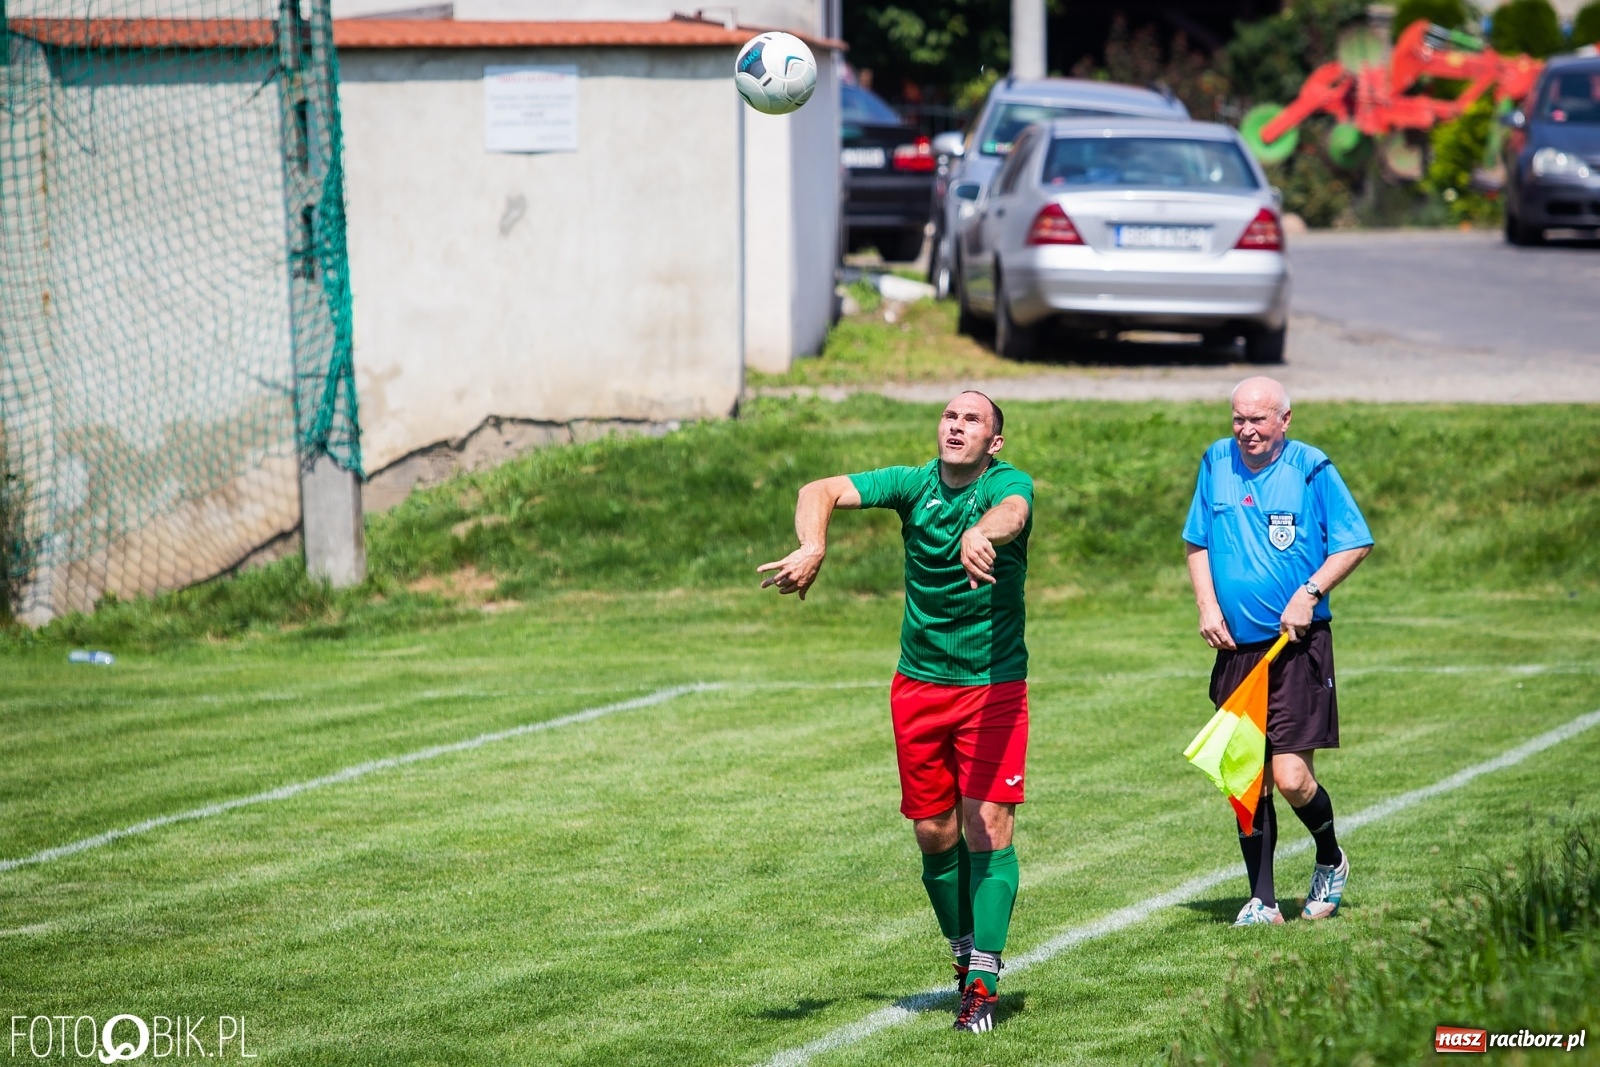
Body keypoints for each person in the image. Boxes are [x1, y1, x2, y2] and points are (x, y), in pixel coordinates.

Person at [758, 391, 1034, 1034]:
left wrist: (980, 532)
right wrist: (813, 545)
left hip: (992, 686)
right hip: (917, 687)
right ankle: (963, 954)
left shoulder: (1007, 484)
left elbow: (1014, 514)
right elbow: (819, 488)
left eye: (972, 420)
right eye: (950, 416)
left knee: (987, 826)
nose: (956, 426)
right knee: (933, 832)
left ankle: (983, 982)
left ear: (993, 443)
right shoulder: (913, 484)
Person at [1182, 377, 1374, 926]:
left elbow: (1354, 541)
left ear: (1284, 420)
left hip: (1296, 648)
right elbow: (1197, 541)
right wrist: (1207, 606)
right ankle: (1262, 901)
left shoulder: (1311, 468)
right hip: (1236, 649)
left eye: (1258, 420)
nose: (1246, 431)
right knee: (1247, 777)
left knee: (1290, 778)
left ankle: (1330, 858)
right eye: (1238, 419)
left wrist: (1309, 593)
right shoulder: (1216, 460)